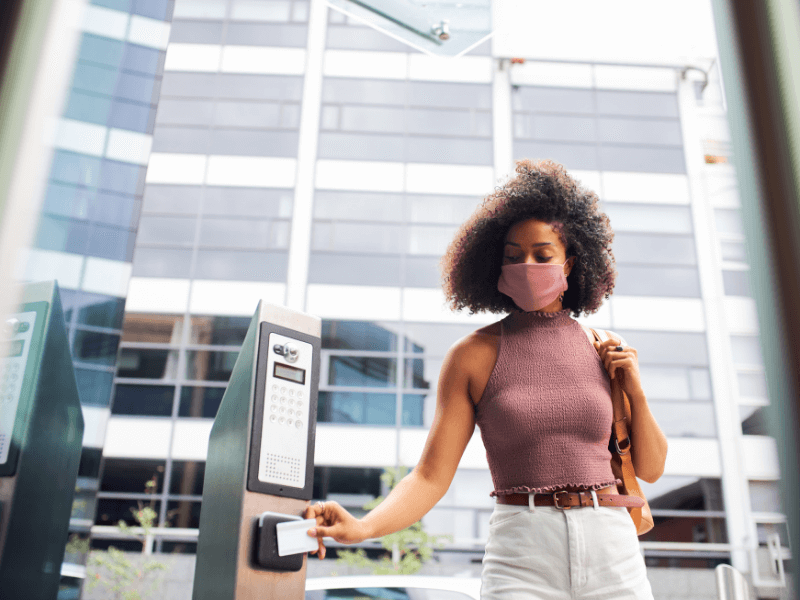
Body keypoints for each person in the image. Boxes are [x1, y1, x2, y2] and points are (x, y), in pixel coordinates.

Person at [304, 158, 669, 599]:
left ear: (570, 264)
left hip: (612, 547)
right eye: (513, 257)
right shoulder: (472, 356)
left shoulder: (604, 347)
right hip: (523, 553)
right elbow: (429, 476)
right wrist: (363, 527)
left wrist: (635, 390)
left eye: (542, 255)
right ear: (495, 269)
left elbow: (651, 468)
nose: (527, 265)